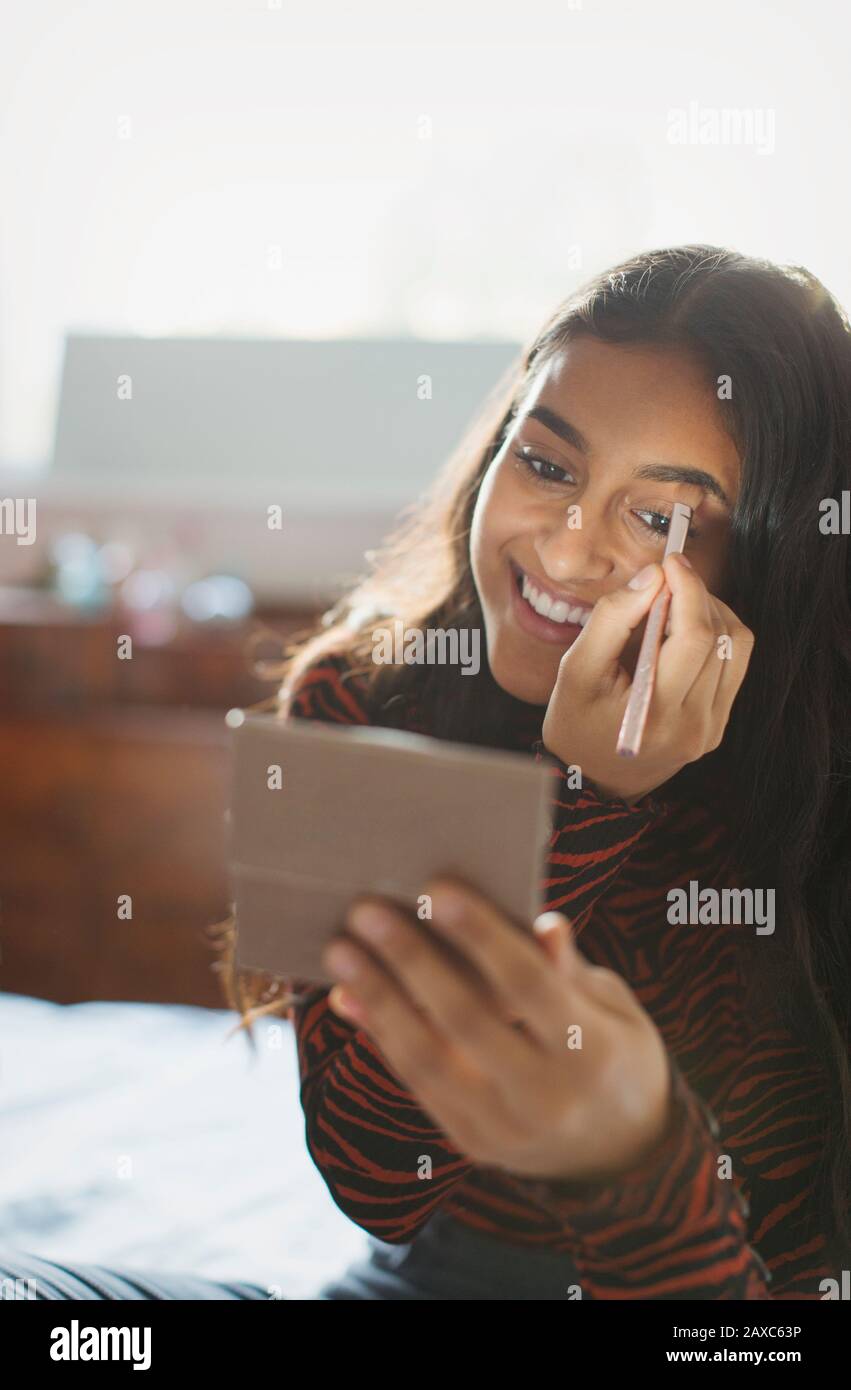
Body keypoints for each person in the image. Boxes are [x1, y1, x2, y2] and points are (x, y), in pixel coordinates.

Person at [6, 245, 849, 1300]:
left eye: (659, 518)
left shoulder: (818, 797)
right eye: (545, 463)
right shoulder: (362, 699)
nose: (564, 544)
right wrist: (581, 792)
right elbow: (375, 1173)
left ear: (770, 560)